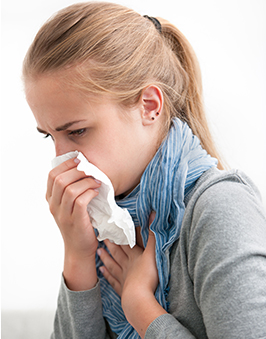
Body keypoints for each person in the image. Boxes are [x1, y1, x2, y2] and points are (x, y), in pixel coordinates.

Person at [23, 2, 266, 338]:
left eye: (77, 131)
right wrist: (78, 257)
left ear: (149, 106)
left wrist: (140, 307)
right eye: (49, 136)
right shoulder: (109, 224)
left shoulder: (220, 208)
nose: (63, 159)